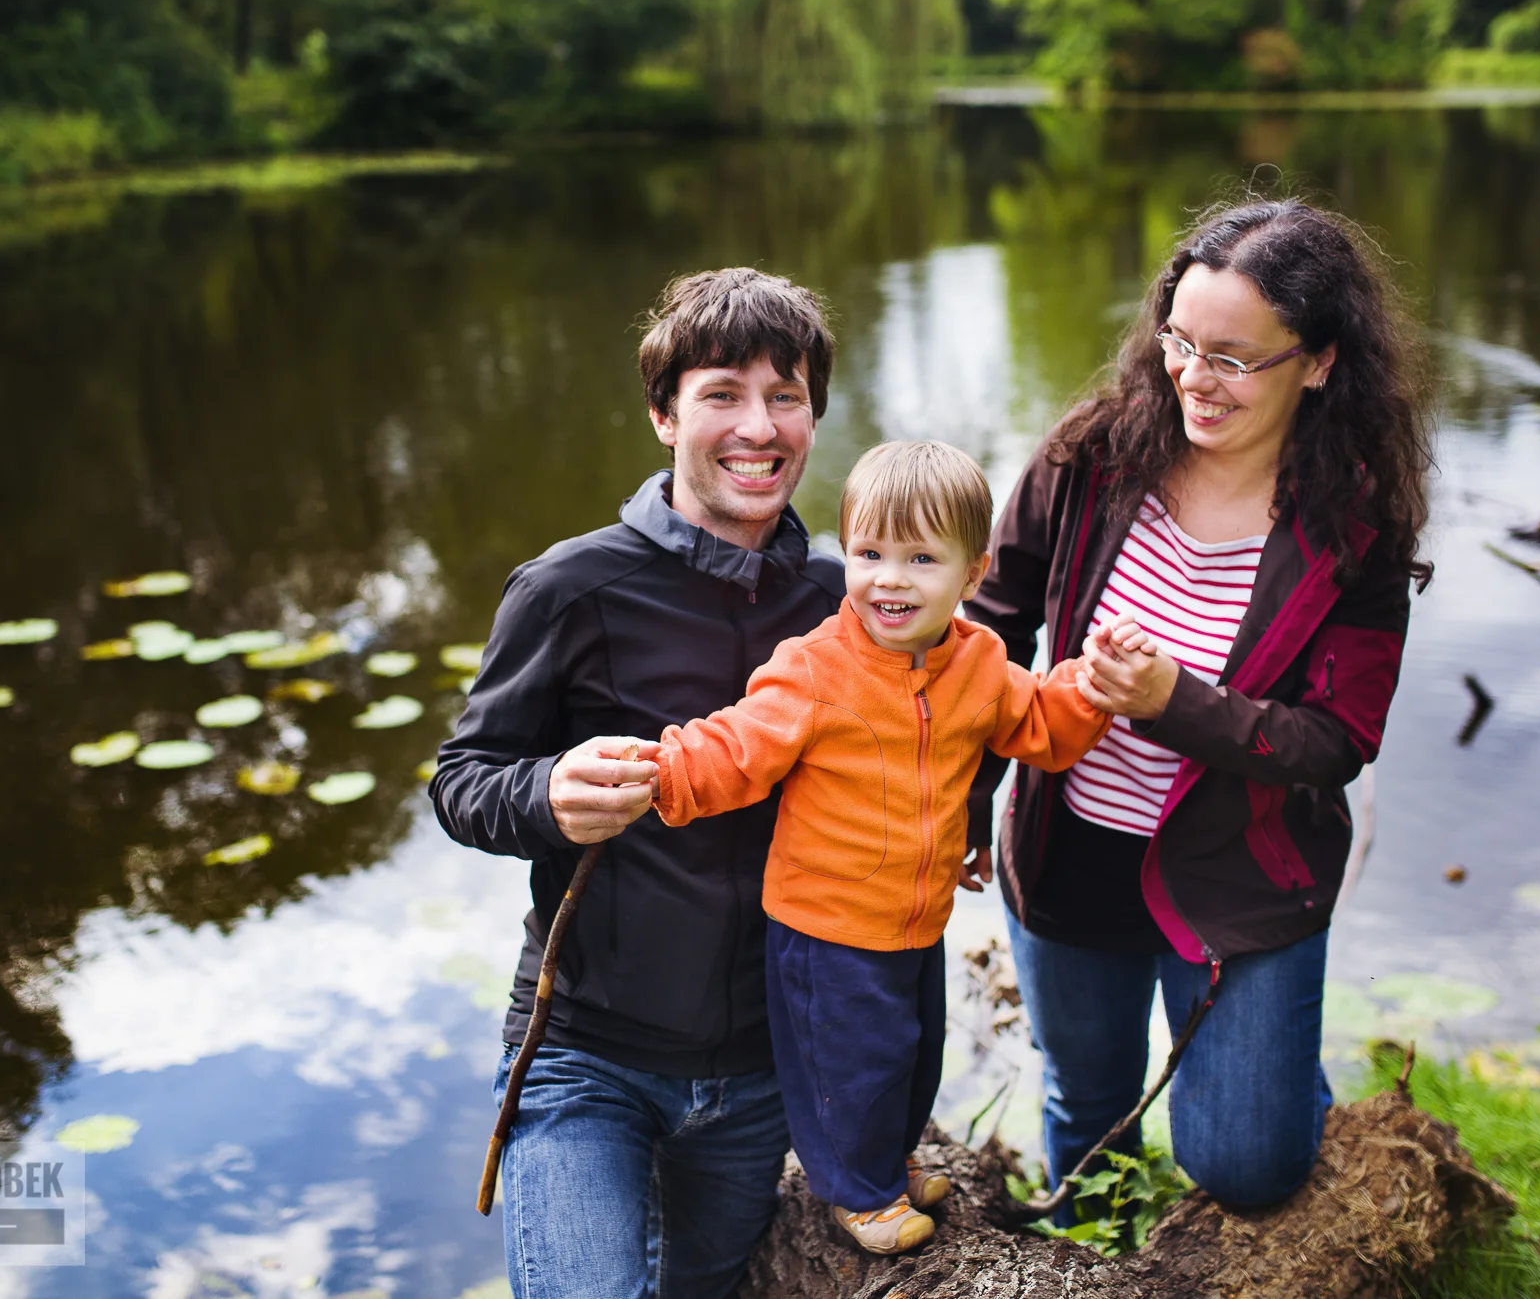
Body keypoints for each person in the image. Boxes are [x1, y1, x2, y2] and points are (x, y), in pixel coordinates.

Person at [963, 198, 1434, 1221]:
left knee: (1243, 1163)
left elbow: (1337, 740)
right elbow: (988, 629)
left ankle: (1273, 1082)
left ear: (1317, 363)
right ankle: (1093, 1265)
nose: (1192, 376)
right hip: (1068, 850)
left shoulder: (1353, 525)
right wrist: (964, 799)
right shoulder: (1091, 455)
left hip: (1242, 877)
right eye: (1179, 341)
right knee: (1086, 1112)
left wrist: (1172, 701)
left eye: (1232, 358)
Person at [429, 268, 846, 1299]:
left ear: (812, 416)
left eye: (784, 396)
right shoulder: (567, 588)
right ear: (664, 415)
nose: (758, 428)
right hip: (587, 1057)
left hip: (762, 1070)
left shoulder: (844, 600)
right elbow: (461, 781)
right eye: (722, 394)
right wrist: (546, 795)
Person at [638, 440, 1113, 1254]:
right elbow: (736, 748)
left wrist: (1091, 683)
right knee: (849, 1065)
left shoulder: (980, 662)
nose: (890, 579)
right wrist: (662, 770)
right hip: (826, 925)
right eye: (869, 554)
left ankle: (888, 1160)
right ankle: (858, 1193)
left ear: (973, 574)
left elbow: (1039, 722)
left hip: (916, 917)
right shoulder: (815, 670)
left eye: (921, 559)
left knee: (912, 1052)